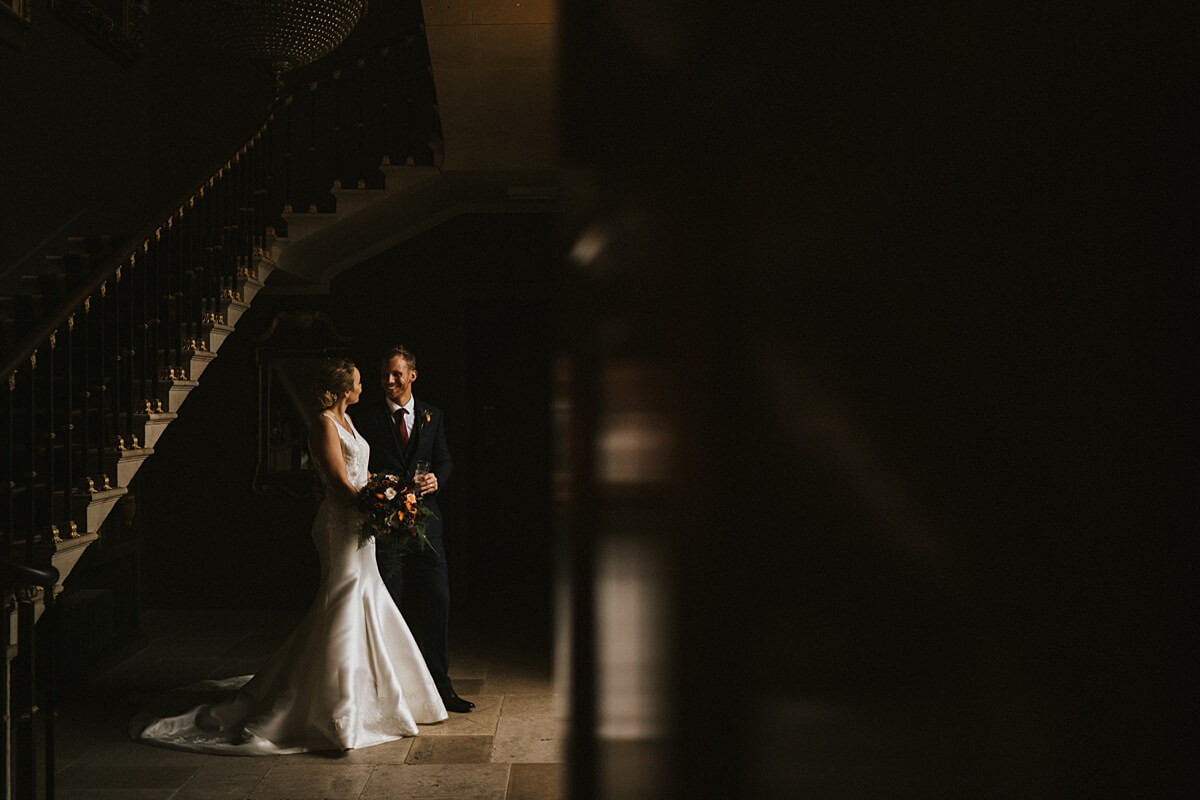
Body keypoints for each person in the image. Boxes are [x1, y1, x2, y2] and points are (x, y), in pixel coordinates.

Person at [131, 359, 447, 754]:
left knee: (367, 597)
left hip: (360, 526)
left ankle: (378, 696)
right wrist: (378, 511)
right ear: (343, 388)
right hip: (340, 526)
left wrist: (385, 496)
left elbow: (361, 475)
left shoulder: (349, 421)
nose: (365, 387)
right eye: (359, 382)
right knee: (344, 600)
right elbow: (336, 480)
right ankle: (335, 704)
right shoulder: (323, 424)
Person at [349, 345, 474, 713]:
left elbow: (446, 459)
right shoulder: (367, 418)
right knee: (392, 607)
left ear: (412, 376)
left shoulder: (433, 415)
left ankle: (441, 687)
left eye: (396, 374)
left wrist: (439, 478)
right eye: (384, 374)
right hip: (386, 529)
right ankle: (393, 692)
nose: (388, 381)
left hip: (428, 528)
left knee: (437, 604)